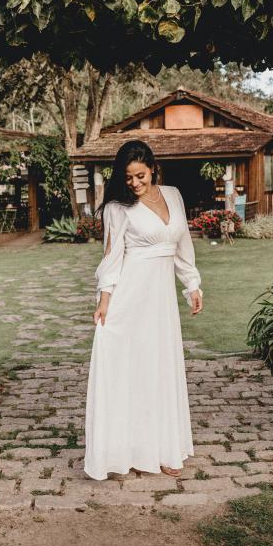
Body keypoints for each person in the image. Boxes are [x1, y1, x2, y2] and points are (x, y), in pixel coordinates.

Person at [84, 140, 203, 481]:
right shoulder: (117, 208)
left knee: (161, 368)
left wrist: (191, 284)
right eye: (128, 178)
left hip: (161, 300)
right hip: (131, 297)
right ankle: (129, 449)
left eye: (140, 176)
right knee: (132, 371)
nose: (135, 184)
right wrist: (104, 301)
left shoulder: (174, 195)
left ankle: (165, 449)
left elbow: (181, 245)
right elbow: (112, 256)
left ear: (153, 168)